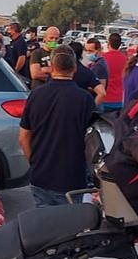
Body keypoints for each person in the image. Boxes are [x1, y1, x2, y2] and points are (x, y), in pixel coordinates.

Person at [19, 49, 95, 207]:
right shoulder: (84, 98)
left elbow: (24, 137)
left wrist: (34, 163)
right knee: (70, 227)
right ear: (74, 68)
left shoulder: (36, 95)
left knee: (45, 227)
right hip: (72, 179)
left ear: (51, 67)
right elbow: (91, 142)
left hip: (41, 176)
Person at [100, 33, 127, 112]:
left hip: (105, 98)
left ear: (108, 43)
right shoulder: (125, 59)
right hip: (120, 99)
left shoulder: (102, 59)